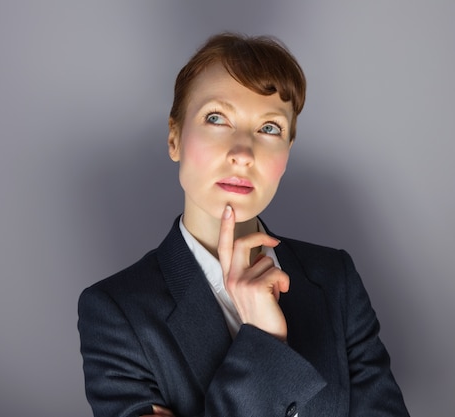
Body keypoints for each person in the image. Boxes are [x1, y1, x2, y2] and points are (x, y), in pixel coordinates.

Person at [78, 32, 410, 417]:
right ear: (174, 138)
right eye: (216, 119)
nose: (242, 153)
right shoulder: (117, 311)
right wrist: (265, 342)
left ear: (287, 152)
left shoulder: (335, 280)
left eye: (270, 128)